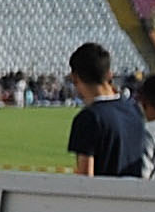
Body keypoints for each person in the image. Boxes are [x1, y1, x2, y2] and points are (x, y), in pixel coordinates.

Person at [63, 45, 148, 179]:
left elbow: (86, 178)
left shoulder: (89, 118)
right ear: (109, 74)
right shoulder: (134, 109)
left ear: (75, 77)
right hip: (135, 195)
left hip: (104, 196)